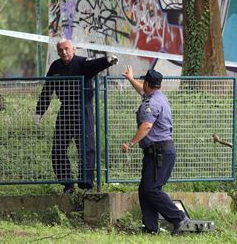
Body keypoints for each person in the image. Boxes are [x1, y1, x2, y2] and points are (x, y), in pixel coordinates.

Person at [34, 39, 118, 194]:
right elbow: (47, 90)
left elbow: (95, 65)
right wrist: (39, 111)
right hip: (65, 109)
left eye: (66, 49)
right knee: (58, 149)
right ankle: (68, 184)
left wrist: (107, 61)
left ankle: (86, 185)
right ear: (58, 51)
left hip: (83, 108)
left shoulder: (82, 63)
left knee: (86, 148)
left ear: (72, 49)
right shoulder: (55, 66)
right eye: (61, 50)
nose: (64, 52)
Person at [121, 65, 190, 235]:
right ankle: (151, 228)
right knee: (145, 189)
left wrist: (130, 143)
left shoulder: (151, 103)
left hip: (159, 152)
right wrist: (130, 79)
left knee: (151, 190)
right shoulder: (159, 97)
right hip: (160, 151)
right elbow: (142, 91)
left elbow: (146, 126)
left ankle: (179, 218)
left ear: (146, 83)